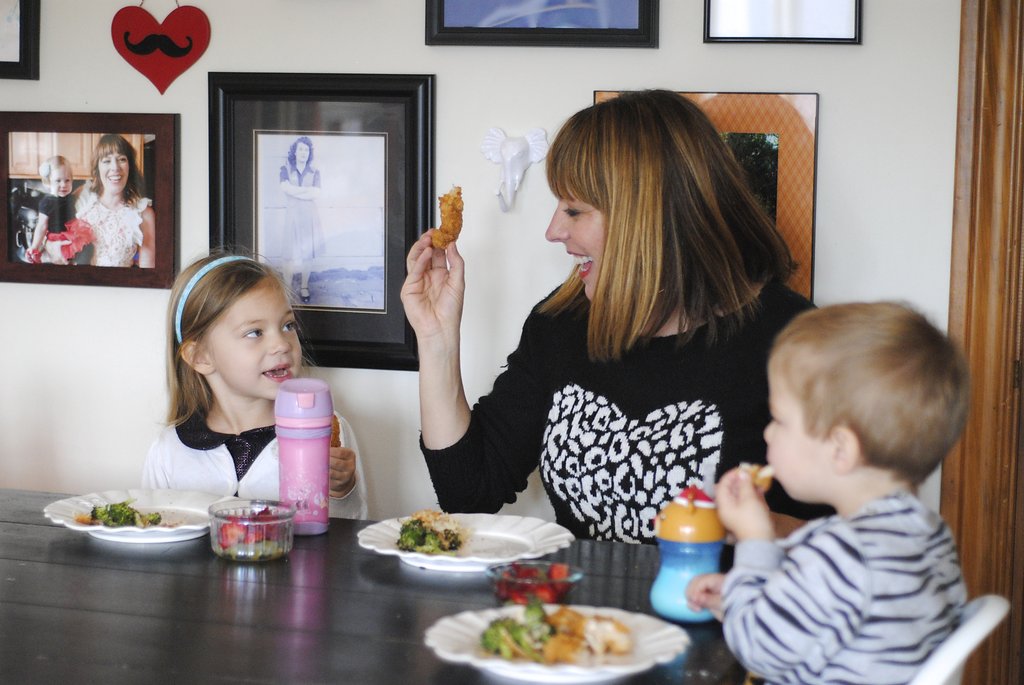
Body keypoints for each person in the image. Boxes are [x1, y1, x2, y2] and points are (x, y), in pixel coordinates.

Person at [401, 89, 824, 544]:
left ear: (646, 216)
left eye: (575, 210)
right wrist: (436, 337)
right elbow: (469, 491)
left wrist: (756, 531)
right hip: (586, 616)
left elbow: (847, 540)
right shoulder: (560, 324)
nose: (553, 230)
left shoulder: (794, 342)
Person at [685, 302, 969, 684]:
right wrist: (743, 599)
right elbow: (825, 619)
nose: (767, 433)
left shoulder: (842, 552)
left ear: (840, 449)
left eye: (779, 420)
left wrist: (755, 541)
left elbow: (759, 650)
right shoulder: (928, 534)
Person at [142, 253, 367, 518]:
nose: (282, 344)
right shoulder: (169, 450)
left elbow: (351, 539)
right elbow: (153, 535)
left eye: (287, 325)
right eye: (255, 332)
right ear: (200, 357)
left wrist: (342, 491)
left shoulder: (323, 430)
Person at [47, 134, 156, 268]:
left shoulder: (143, 213)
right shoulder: (81, 200)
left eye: (122, 159)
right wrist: (50, 246)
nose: (115, 168)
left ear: (130, 166)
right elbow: (50, 234)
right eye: (106, 161)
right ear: (97, 168)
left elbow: (147, 274)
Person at [279, 136, 326, 303]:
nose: (303, 153)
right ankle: (287, 288)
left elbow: (316, 193)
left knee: (308, 253)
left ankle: (304, 287)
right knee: (288, 253)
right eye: (300, 149)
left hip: (309, 215)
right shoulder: (285, 168)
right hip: (291, 214)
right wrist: (305, 191)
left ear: (309, 153)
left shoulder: (315, 171)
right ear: (295, 151)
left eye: (306, 150)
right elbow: (284, 188)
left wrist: (295, 190)